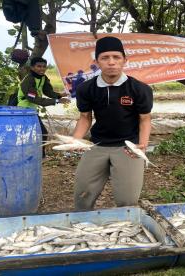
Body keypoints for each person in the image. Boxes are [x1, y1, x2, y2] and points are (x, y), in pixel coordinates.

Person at [72, 36, 153, 211]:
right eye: (105, 58)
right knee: (82, 195)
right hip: (97, 145)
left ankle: (126, 231)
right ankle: (81, 228)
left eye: (116, 57)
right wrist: (76, 139)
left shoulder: (139, 89)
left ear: (125, 60)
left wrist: (143, 146)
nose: (111, 62)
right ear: (96, 62)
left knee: (127, 202)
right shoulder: (86, 89)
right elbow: (85, 117)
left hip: (128, 147)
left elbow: (145, 120)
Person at [17, 57, 69, 157]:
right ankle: (31, 156)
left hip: (32, 111)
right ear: (32, 67)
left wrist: (60, 95)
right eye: (39, 66)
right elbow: (35, 99)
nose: (42, 69)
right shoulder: (28, 80)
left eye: (44, 67)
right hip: (22, 111)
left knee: (42, 133)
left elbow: (48, 91)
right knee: (28, 134)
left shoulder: (43, 78)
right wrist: (57, 101)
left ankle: (39, 156)